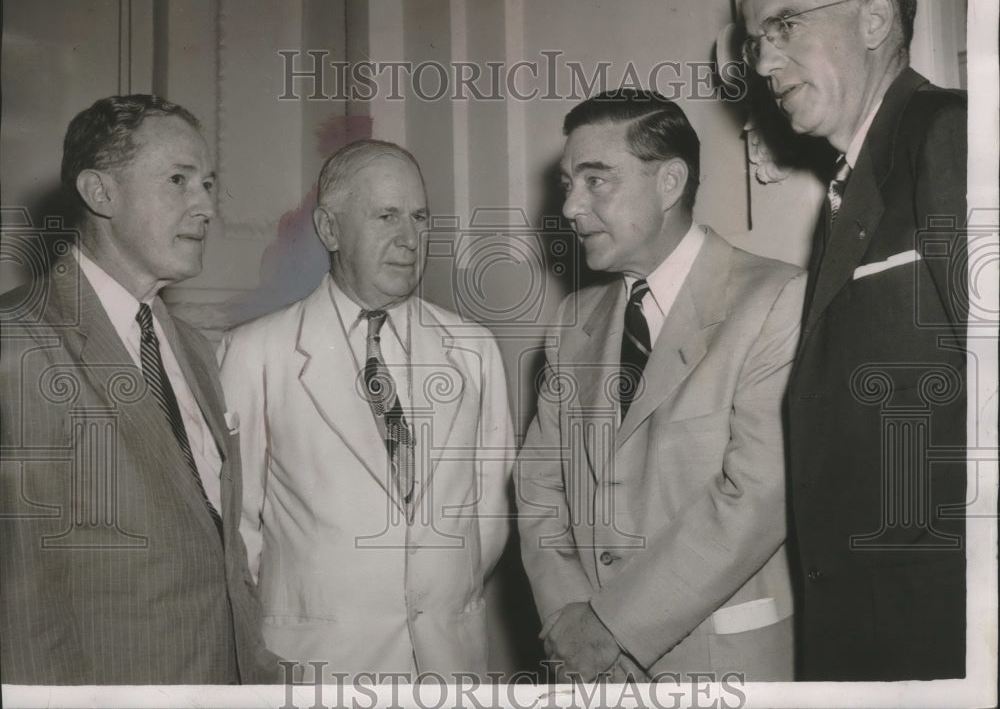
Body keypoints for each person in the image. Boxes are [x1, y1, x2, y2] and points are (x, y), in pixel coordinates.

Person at [516, 90, 805, 682]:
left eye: (597, 181)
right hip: (588, 667)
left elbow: (755, 500)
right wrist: (572, 623)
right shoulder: (573, 324)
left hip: (721, 663)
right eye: (569, 182)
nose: (570, 206)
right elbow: (539, 489)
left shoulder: (776, 300)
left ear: (670, 183)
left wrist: (610, 625)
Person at [741, 0, 967, 681]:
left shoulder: (950, 134)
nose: (763, 62)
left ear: (874, 22)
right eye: (755, 41)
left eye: (784, 27)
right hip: (866, 621)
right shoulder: (849, 189)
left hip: (943, 623)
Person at [0, 95, 278, 684]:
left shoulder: (196, 351)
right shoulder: (19, 341)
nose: (205, 205)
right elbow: (16, 593)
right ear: (101, 193)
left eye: (207, 183)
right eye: (178, 179)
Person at [218, 139, 515, 680]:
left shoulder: (474, 348)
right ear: (330, 229)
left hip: (448, 665)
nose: (409, 238)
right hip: (317, 665)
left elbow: (489, 512)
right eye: (386, 216)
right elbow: (235, 530)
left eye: (420, 217)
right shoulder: (255, 352)